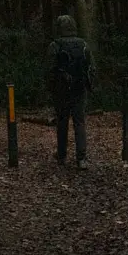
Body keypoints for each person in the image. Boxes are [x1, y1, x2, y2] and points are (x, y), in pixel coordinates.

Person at [47, 15, 95, 169]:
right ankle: (81, 158)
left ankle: (62, 156)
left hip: (61, 91)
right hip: (80, 89)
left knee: (62, 122)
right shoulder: (83, 45)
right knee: (79, 123)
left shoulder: (55, 45)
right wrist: (89, 86)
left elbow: (49, 69)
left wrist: (51, 88)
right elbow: (91, 67)